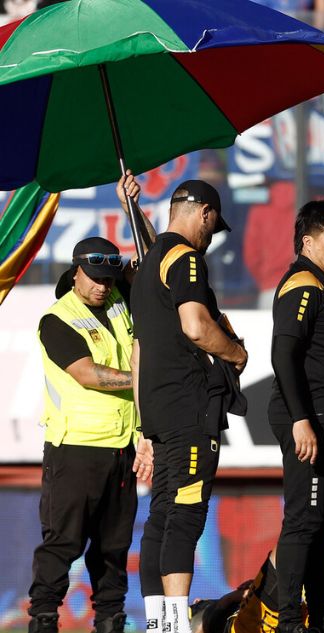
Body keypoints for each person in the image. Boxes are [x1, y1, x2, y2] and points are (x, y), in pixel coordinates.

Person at [131, 179, 248, 633]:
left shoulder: (146, 270)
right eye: (214, 227)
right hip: (189, 410)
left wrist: (144, 426)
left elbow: (138, 354)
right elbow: (197, 327)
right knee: (186, 514)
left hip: (160, 415)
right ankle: (178, 626)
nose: (211, 237)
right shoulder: (185, 259)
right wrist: (236, 353)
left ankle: (158, 624)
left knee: (162, 517)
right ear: (204, 213)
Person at [28, 218, 154, 633]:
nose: (103, 286)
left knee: (114, 547)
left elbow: (156, 264)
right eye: (96, 278)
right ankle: (44, 618)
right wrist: (142, 380)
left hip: (122, 448)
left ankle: (111, 620)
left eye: (109, 278)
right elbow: (87, 374)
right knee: (63, 542)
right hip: (76, 450)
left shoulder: (119, 295)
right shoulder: (57, 319)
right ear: (75, 272)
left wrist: (131, 207)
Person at [268, 200, 324, 633]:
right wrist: (302, 419)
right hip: (307, 416)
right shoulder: (303, 284)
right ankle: (289, 623)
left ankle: (319, 618)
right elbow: (283, 354)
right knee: (304, 518)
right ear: (307, 241)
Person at [189, 541, 324, 633]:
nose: (196, 598)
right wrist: (235, 596)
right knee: (285, 552)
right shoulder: (190, 613)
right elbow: (200, 627)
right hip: (254, 626)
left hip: (306, 608)